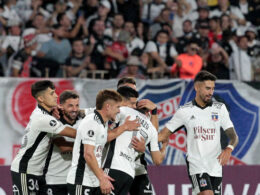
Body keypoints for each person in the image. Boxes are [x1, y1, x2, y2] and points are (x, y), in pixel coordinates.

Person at [159, 70, 239, 195]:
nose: (211, 92)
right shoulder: (184, 111)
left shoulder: (220, 108)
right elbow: (162, 135)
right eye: (207, 88)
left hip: (216, 166)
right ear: (197, 87)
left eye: (212, 89)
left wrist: (229, 149)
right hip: (197, 164)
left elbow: (234, 137)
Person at [66, 89, 139, 195]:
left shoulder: (102, 123)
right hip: (81, 181)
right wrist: (102, 178)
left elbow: (106, 138)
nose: (119, 111)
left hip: (93, 181)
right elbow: (88, 154)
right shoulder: (91, 122)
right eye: (118, 107)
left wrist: (125, 127)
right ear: (108, 106)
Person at [10, 80, 77, 194]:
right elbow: (75, 133)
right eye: (51, 93)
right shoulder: (42, 118)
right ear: (41, 99)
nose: (56, 96)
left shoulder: (46, 115)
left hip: (37, 172)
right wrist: (95, 135)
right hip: (25, 169)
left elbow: (62, 144)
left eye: (55, 92)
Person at [103, 86, 167, 195]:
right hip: (130, 173)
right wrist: (165, 146)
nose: (133, 106)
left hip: (113, 167)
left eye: (134, 104)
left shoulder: (124, 111)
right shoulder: (151, 129)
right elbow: (157, 160)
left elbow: (104, 135)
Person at [43, 90, 84, 195]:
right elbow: (64, 147)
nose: (74, 109)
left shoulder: (82, 122)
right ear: (61, 106)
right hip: (54, 179)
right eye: (70, 106)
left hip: (74, 179)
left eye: (77, 105)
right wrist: (89, 145)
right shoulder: (54, 123)